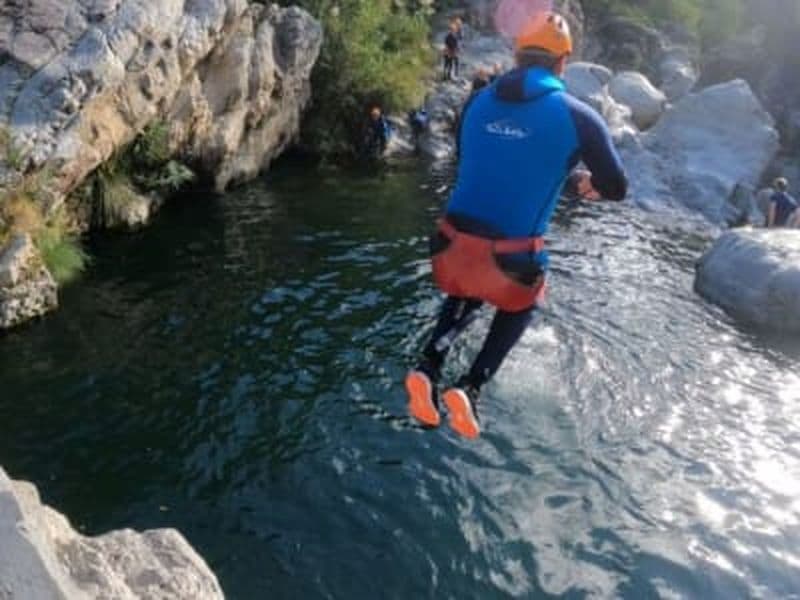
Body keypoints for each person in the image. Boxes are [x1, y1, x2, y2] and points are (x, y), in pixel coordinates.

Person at [404, 12, 627, 439]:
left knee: (472, 276)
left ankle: (429, 364)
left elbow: (482, 158)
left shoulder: (477, 100)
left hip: (448, 249)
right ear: (563, 64)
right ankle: (472, 385)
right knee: (523, 295)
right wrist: (584, 181)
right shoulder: (577, 115)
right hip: (511, 265)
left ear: (516, 53)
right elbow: (616, 186)